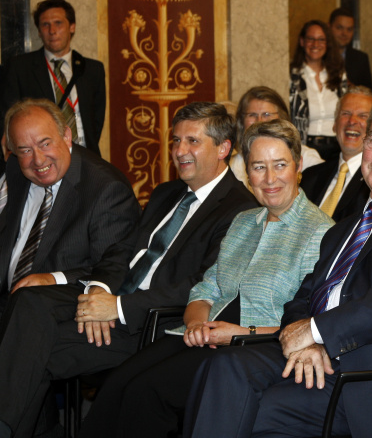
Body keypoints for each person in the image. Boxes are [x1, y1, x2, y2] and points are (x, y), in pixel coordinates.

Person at [183, 91, 372, 438]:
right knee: (222, 367)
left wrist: (318, 332)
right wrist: (303, 337)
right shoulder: (343, 229)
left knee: (253, 412)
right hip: (320, 359)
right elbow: (302, 297)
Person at [0, 101, 257, 438]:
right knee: (28, 302)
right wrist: (100, 289)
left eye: (193, 141)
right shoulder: (167, 193)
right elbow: (122, 251)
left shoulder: (241, 210)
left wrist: (118, 307)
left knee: (30, 349)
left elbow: (203, 285)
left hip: (150, 323)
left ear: (223, 148)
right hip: (112, 296)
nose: (180, 151)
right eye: (176, 140)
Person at [76, 120, 334, 437]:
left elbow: (311, 324)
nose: (269, 179)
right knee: (118, 383)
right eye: (258, 167)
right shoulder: (243, 222)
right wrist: (197, 323)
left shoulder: (320, 233)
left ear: (298, 166)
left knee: (148, 393)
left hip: (254, 347)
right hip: (203, 335)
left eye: (280, 165)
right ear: (247, 173)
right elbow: (206, 287)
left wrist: (236, 333)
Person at [0, 99, 140, 310]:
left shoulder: (105, 188)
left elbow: (112, 268)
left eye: (45, 144)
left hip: (54, 308)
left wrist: (52, 278)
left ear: (66, 136)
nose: (38, 160)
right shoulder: (16, 169)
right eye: (25, 150)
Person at [1, 0, 106, 155]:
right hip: (42, 158)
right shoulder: (19, 68)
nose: (52, 30)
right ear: (39, 31)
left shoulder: (92, 69)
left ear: (72, 27)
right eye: (45, 25)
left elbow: (96, 121)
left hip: (85, 156)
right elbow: (9, 118)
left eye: (58, 23)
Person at [301, 87, 372, 222]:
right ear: (334, 124)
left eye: (363, 116)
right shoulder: (310, 177)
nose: (352, 121)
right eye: (346, 113)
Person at [230, 86, 323, 187]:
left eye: (266, 114)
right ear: (241, 121)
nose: (259, 121)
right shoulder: (234, 164)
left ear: (282, 117)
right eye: (252, 115)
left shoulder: (307, 157)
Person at [289, 20, 348, 160]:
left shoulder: (339, 75)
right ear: (302, 42)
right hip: (305, 147)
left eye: (321, 39)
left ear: (327, 44)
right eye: (311, 39)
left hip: (337, 146)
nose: (315, 44)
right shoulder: (291, 76)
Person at [329, 8, 372, 90]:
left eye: (349, 29)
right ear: (329, 27)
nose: (344, 33)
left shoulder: (361, 58)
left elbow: (370, 93)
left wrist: (353, 88)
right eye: (339, 28)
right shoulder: (319, 55)